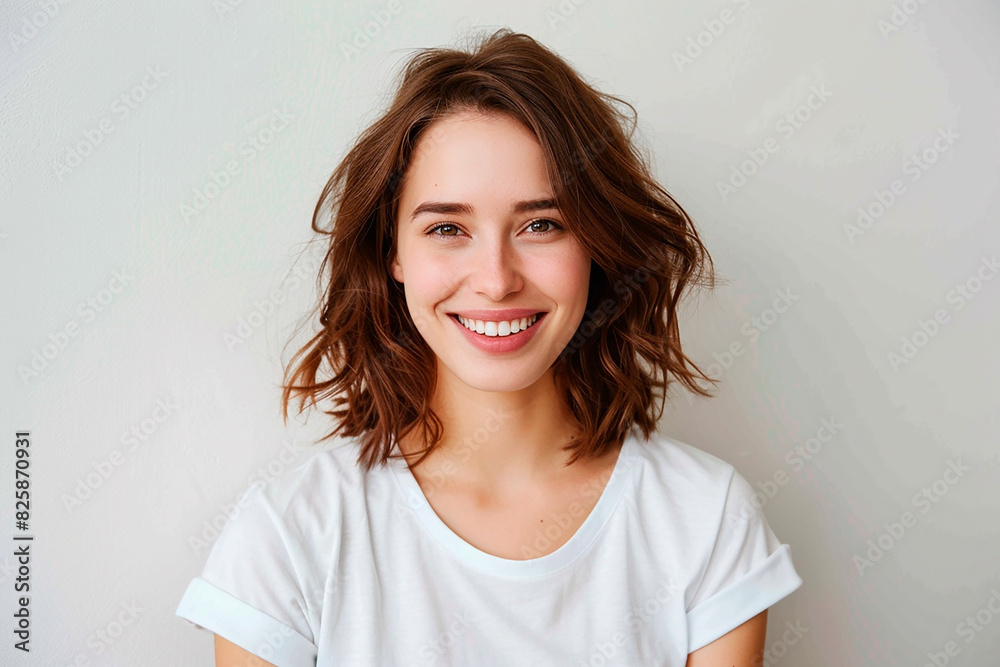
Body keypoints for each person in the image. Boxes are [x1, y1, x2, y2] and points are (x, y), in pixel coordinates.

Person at [175, 27, 803, 666]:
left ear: (596, 244)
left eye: (541, 225)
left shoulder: (704, 520)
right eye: (447, 227)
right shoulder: (288, 537)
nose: (497, 280)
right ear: (394, 253)